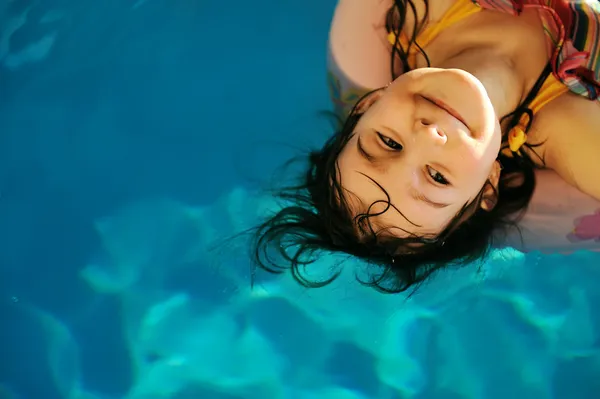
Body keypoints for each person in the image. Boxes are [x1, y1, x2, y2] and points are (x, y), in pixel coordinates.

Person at [251, 0, 600, 293]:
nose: (427, 136)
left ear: (367, 105)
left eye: (389, 142)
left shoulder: (419, 12)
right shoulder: (580, 138)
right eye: (437, 176)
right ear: (489, 185)